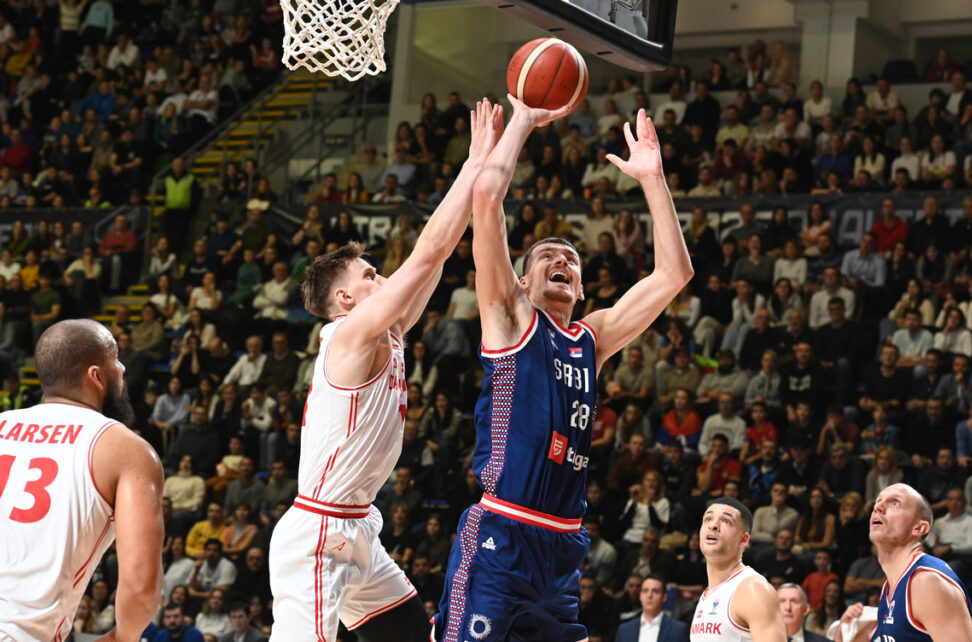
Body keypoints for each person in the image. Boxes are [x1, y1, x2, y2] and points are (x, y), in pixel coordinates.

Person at [435, 104, 694, 642]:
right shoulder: (509, 320)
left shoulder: (590, 340)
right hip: (502, 532)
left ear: (580, 290)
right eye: (547, 255)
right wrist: (525, 119)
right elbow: (486, 197)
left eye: (571, 260)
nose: (561, 260)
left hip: (562, 548)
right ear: (524, 284)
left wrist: (654, 180)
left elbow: (674, 272)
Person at [267, 99, 503, 642]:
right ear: (345, 296)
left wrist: (487, 168)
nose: (383, 277)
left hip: (359, 527)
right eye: (371, 273)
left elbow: (437, 262)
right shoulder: (348, 334)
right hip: (319, 533)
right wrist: (473, 162)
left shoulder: (389, 333)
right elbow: (428, 249)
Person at [0, 319, 164, 641]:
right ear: (96, 376)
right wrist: (122, 637)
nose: (123, 368)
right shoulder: (126, 449)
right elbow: (141, 586)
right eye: (115, 358)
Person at [834, 483, 972, 642]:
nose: (878, 507)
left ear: (919, 528)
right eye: (878, 502)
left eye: (895, 503)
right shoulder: (888, 588)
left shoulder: (926, 582)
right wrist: (843, 631)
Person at [691, 498, 784, 640]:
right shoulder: (708, 595)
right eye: (708, 519)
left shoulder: (754, 589)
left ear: (744, 539)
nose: (713, 525)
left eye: (726, 521)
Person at [615, 575, 689, 642]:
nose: (649, 596)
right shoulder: (624, 630)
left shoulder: (679, 630)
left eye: (655, 591)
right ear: (640, 596)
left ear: (664, 597)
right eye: (645, 591)